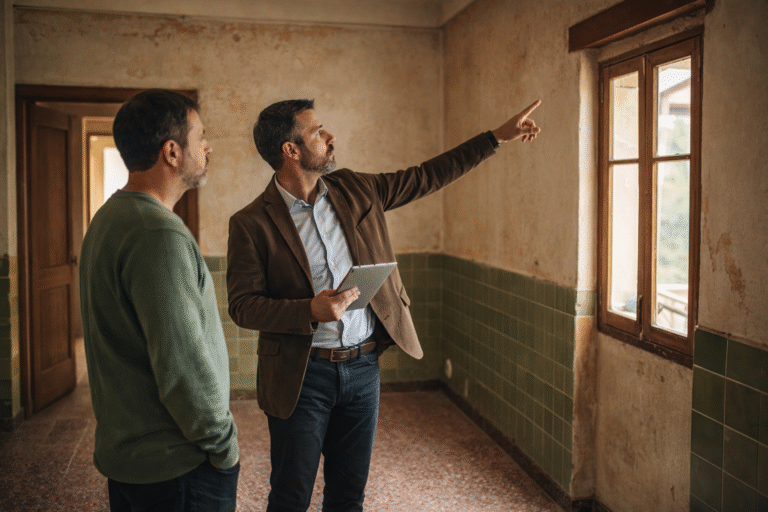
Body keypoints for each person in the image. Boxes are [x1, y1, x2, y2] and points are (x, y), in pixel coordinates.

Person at [227, 98, 541, 512]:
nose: (329, 136)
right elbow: (243, 306)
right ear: (291, 150)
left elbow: (427, 176)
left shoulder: (357, 188)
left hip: (362, 371)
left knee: (349, 494)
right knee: (290, 496)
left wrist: (496, 137)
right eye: (317, 132)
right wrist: (308, 310)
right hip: (301, 378)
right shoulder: (251, 222)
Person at [79, 89, 240, 512]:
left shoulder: (111, 217)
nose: (208, 147)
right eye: (200, 136)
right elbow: (181, 364)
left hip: (134, 459)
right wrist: (223, 444)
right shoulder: (157, 234)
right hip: (176, 466)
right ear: (172, 151)